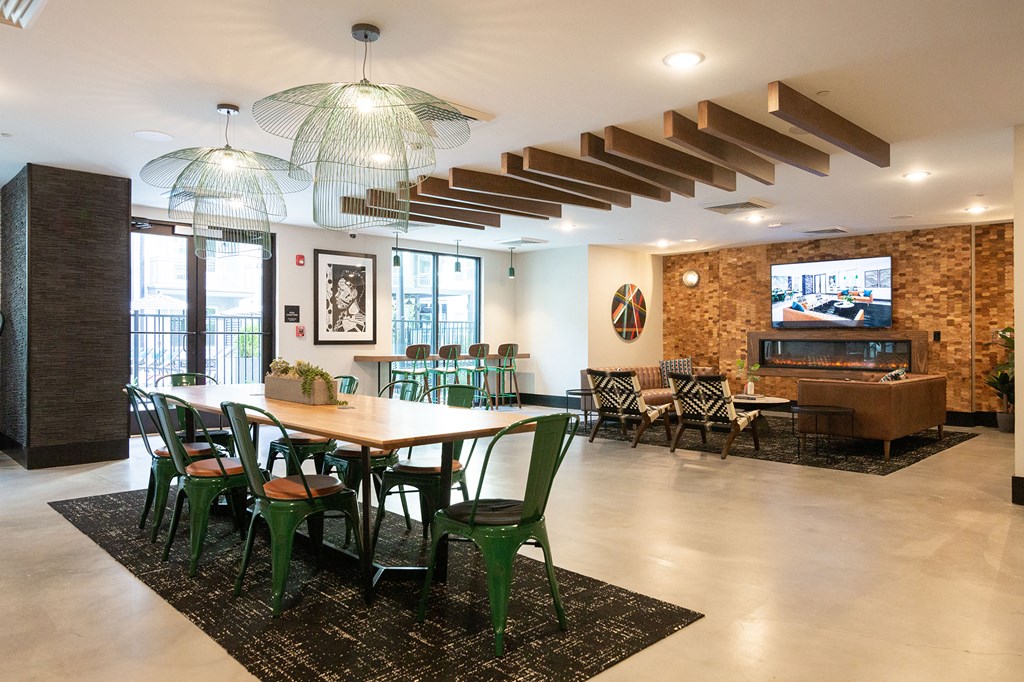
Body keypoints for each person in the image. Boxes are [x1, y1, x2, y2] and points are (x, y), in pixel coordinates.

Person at [331, 266, 366, 333]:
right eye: (338, 291)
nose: (336, 295)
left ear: (353, 294)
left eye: (341, 290)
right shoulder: (341, 316)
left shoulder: (363, 320)